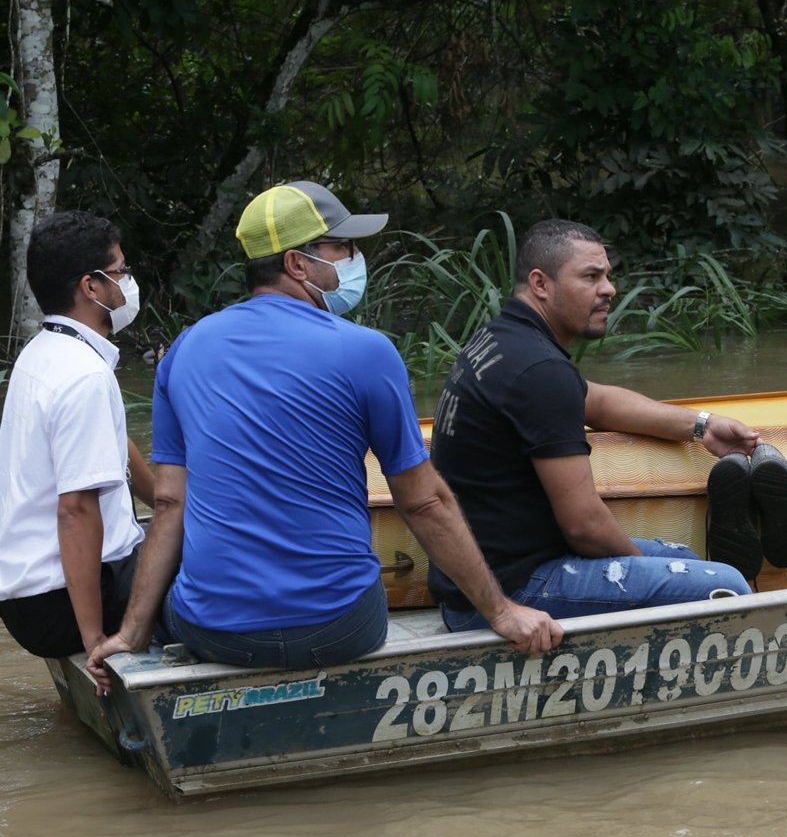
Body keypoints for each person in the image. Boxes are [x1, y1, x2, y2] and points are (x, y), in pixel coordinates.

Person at [87, 181, 561, 693]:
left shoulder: (185, 349)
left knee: (174, 596)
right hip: (341, 629)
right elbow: (424, 503)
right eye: (343, 248)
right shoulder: (368, 352)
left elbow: (169, 501)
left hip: (217, 635)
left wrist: (132, 632)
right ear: (297, 264)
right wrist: (502, 611)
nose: (357, 259)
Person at [428, 219, 787, 630]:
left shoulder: (502, 339)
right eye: (591, 277)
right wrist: (642, 571)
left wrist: (703, 425)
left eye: (607, 276)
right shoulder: (539, 370)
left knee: (684, 559)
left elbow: (597, 401)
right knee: (727, 585)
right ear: (541, 284)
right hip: (508, 595)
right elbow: (585, 527)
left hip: (484, 578)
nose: (609, 289)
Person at [0, 210, 152, 659]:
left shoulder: (43, 350)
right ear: (91, 287)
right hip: (60, 605)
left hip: (27, 596)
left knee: (174, 531)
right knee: (220, 562)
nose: (128, 282)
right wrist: (92, 638)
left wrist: (168, 500)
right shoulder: (83, 375)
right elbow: (76, 512)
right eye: (121, 272)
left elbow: (113, 445)